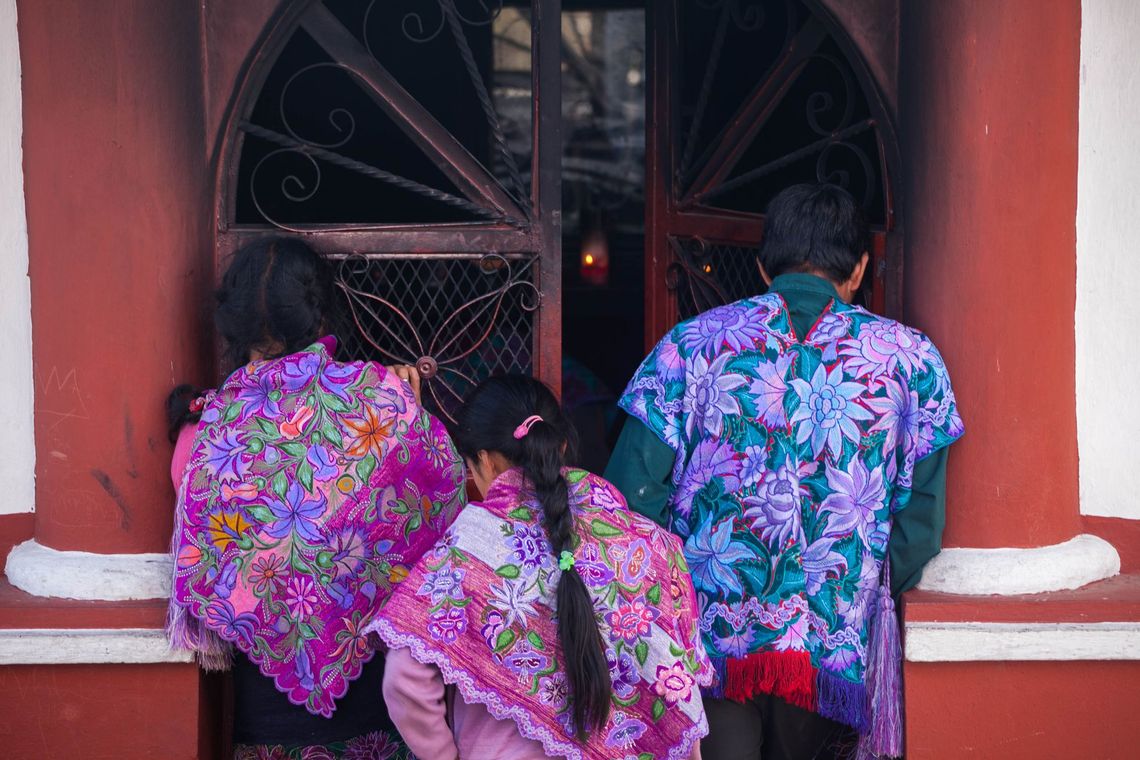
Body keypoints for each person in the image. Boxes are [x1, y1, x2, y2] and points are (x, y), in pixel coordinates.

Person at [605, 183, 964, 760]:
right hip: (834, 648)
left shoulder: (689, 347)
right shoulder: (910, 360)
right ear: (861, 268)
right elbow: (922, 520)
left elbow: (628, 499)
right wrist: (858, 589)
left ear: (762, 267)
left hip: (708, 638)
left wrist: (673, 597)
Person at [165, 237, 466, 759]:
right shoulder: (382, 401)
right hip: (382, 708)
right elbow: (445, 494)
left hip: (266, 725)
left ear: (232, 324)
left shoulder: (204, 434)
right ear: (320, 311)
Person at [366, 375, 713, 759]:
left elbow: (405, 679)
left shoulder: (467, 547)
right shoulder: (649, 545)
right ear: (561, 444)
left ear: (482, 459)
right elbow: (681, 699)